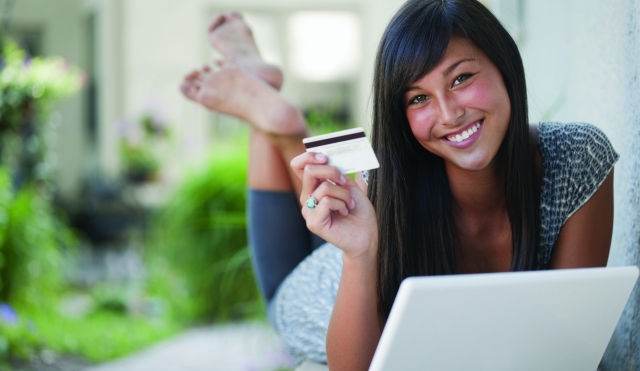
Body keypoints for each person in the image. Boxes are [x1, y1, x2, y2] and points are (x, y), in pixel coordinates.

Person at [180, 1, 618, 370]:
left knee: (347, 199)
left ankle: (280, 118)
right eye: (418, 98)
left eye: (461, 78)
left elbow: (567, 349)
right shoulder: (384, 193)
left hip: (371, 213)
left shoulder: (576, 157)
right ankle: (275, 121)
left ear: (504, 66)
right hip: (335, 285)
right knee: (281, 296)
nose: (449, 114)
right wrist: (359, 253)